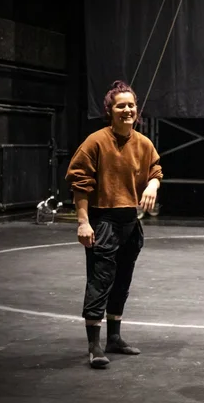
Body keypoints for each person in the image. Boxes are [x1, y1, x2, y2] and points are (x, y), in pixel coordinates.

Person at [65, 80, 162, 369]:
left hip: (129, 221)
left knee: (122, 282)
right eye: (121, 106)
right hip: (103, 219)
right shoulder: (95, 142)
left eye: (131, 105)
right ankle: (94, 345)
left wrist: (153, 185)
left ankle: (114, 338)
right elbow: (79, 183)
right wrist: (83, 223)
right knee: (100, 281)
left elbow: (155, 170)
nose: (127, 110)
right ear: (110, 110)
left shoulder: (143, 143)